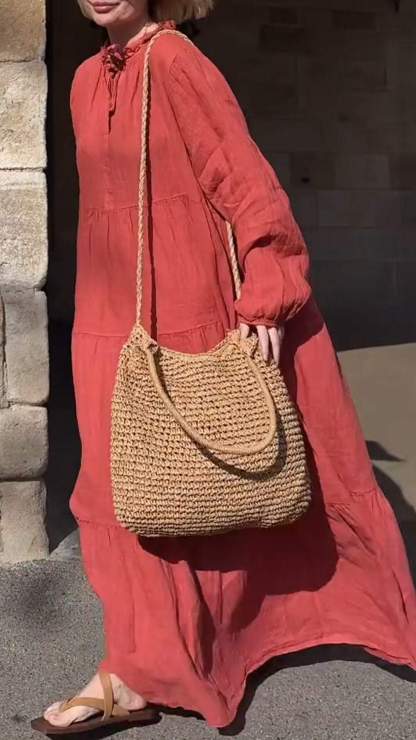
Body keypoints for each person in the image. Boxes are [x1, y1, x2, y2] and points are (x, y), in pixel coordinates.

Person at [33, 0, 416, 734]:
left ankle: (146, 669)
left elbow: (242, 179)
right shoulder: (85, 79)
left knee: (200, 478)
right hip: (109, 315)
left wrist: (268, 288)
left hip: (182, 302)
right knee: (121, 490)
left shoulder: (177, 60)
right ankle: (151, 657)